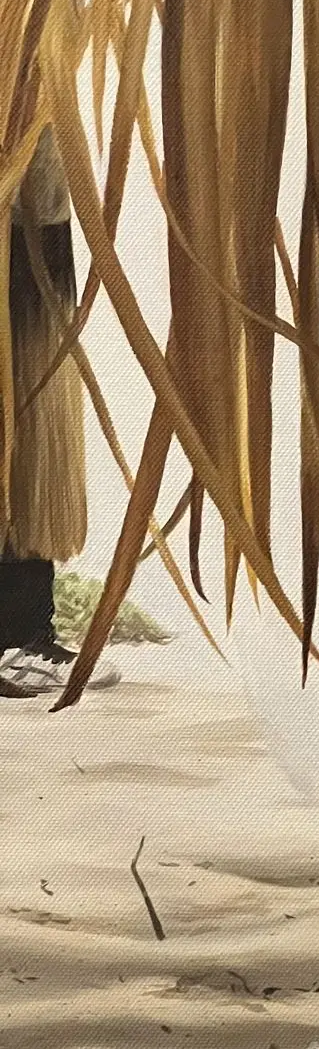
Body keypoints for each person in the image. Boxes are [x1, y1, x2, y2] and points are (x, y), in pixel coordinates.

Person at [0, 132, 116, 699]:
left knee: (35, 447)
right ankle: (16, 637)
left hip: (37, 227)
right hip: (22, 228)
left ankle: (27, 634)